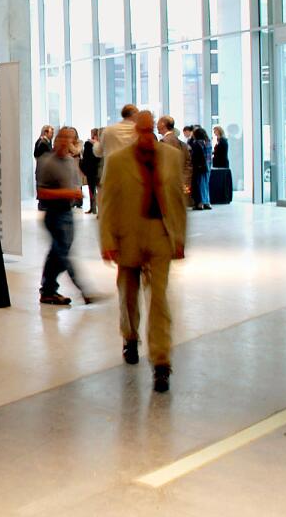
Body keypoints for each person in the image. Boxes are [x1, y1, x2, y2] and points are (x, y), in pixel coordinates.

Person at [99, 110, 187, 393]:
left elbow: (177, 200)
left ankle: (162, 362)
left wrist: (179, 237)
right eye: (145, 131)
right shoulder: (117, 161)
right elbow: (108, 203)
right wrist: (107, 241)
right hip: (128, 237)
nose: (149, 136)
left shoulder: (171, 157)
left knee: (159, 299)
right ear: (137, 131)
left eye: (153, 131)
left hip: (160, 235)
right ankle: (130, 337)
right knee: (128, 294)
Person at [35, 126, 94, 305]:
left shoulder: (70, 162)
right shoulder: (47, 162)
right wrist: (68, 194)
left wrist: (74, 194)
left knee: (57, 254)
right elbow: (42, 193)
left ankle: (48, 290)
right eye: (63, 138)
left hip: (67, 213)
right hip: (54, 215)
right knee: (62, 254)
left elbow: (75, 187)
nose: (66, 142)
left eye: (70, 138)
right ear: (56, 139)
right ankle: (84, 289)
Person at [94, 104, 138, 175]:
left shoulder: (108, 130)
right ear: (135, 115)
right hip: (131, 174)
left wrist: (95, 143)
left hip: (111, 173)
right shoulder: (139, 132)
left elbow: (98, 152)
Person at [189, 125, 212, 210]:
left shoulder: (197, 143)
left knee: (200, 184)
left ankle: (201, 203)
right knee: (206, 184)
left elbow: (194, 156)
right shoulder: (208, 142)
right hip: (208, 165)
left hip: (199, 166)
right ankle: (207, 202)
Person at [210, 125, 233, 204]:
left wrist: (214, 153)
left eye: (215, 131)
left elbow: (220, 152)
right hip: (218, 162)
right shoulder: (219, 140)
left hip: (221, 163)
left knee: (222, 181)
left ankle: (223, 197)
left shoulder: (222, 141)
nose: (214, 133)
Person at [80, 129, 102, 214]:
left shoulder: (88, 143)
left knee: (91, 190)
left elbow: (86, 157)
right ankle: (99, 209)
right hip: (99, 169)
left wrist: (84, 168)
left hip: (91, 170)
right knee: (100, 190)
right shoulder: (101, 144)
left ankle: (93, 208)